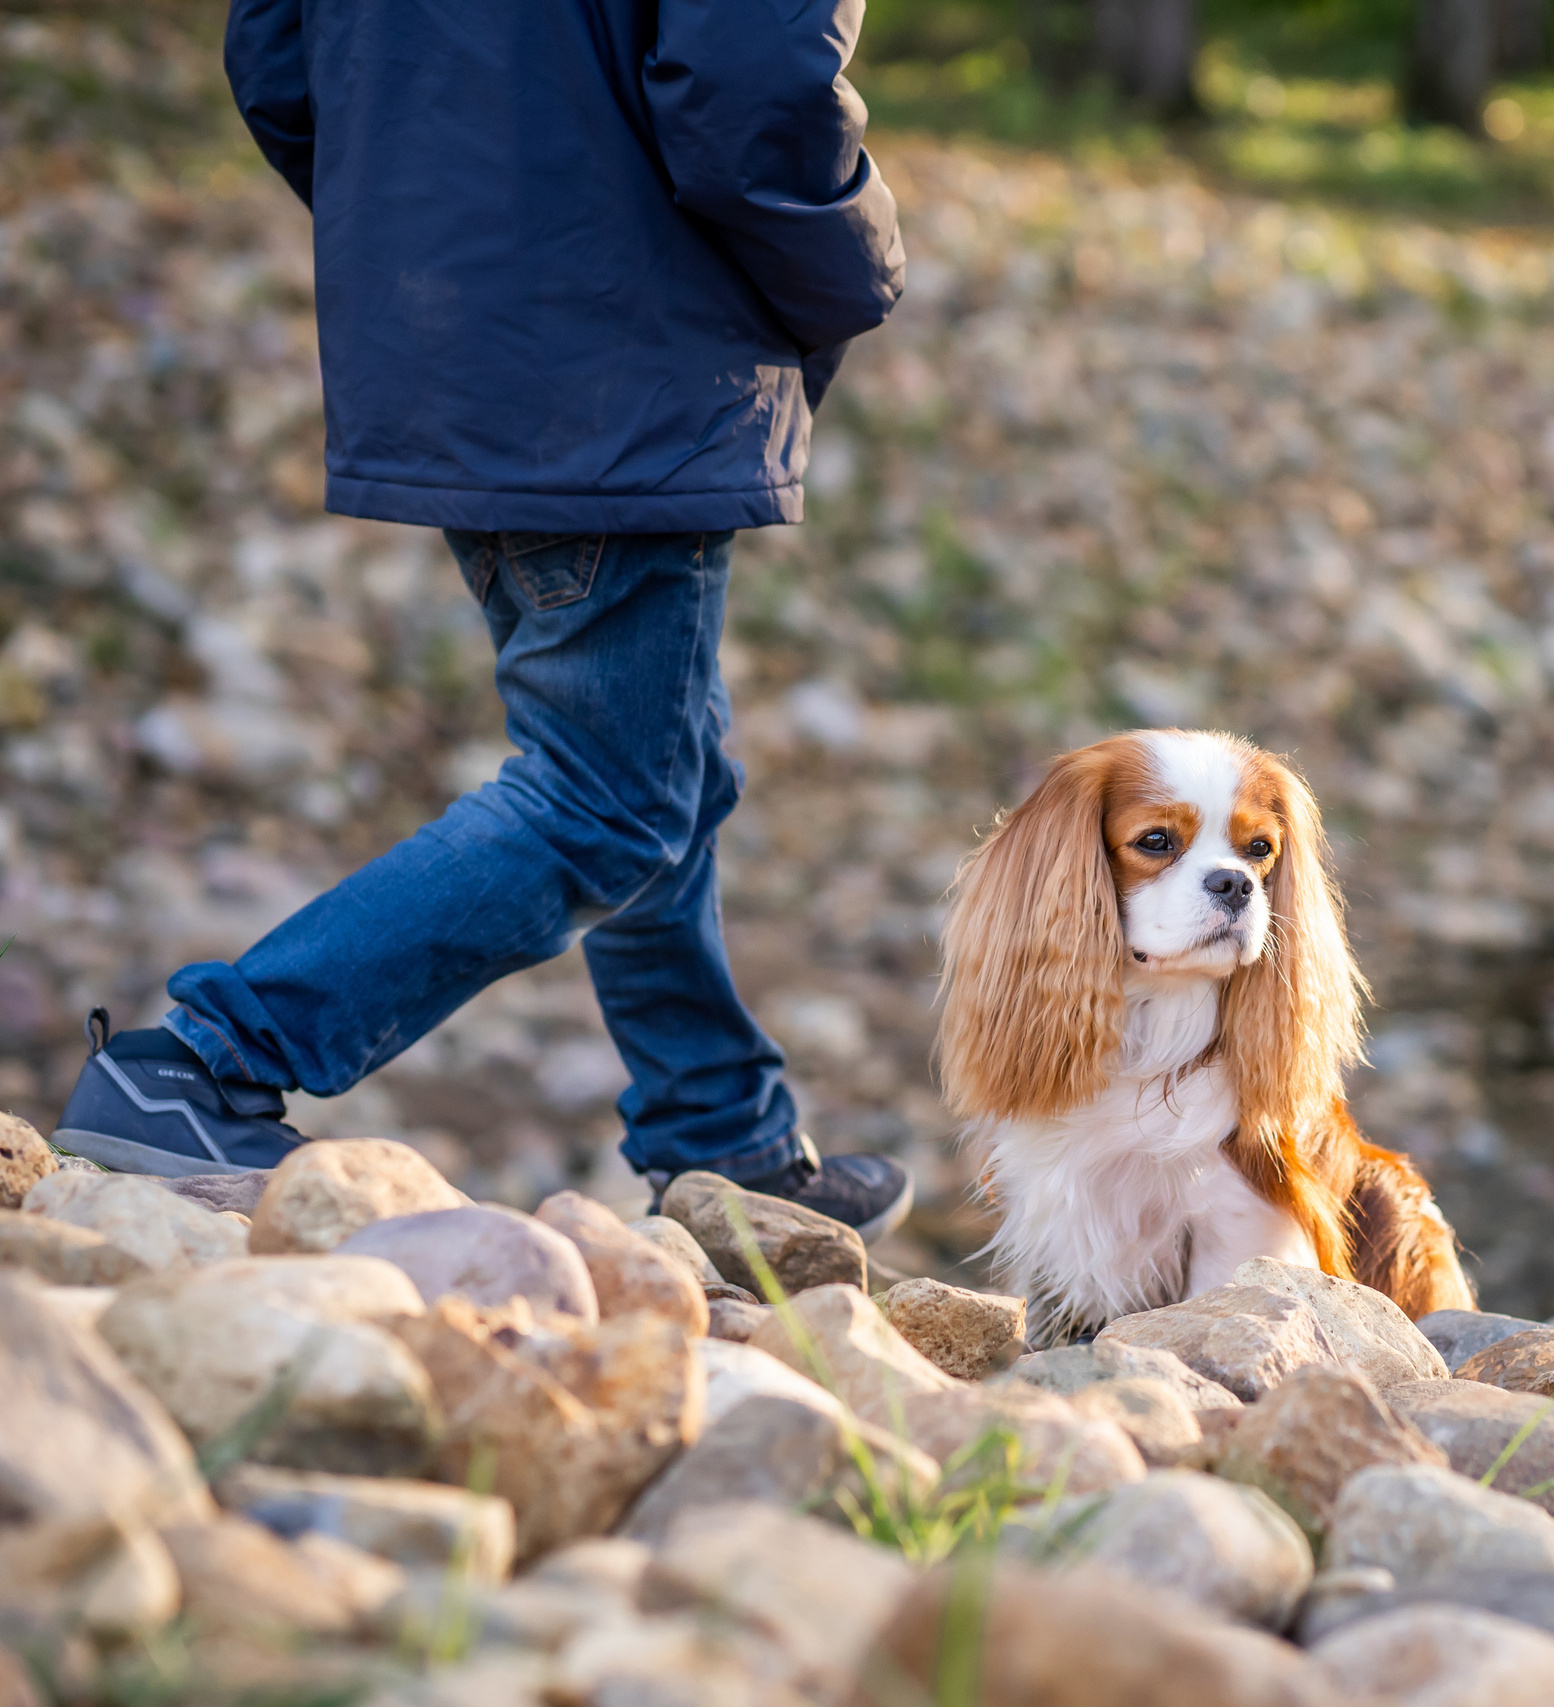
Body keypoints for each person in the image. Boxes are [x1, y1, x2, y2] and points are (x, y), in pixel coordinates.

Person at [50, 0, 913, 1239]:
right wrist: (857, 266)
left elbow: (278, 57)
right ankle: (203, 1060)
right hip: (619, 348)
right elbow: (754, 83)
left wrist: (437, 243)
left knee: (660, 756)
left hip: (475, 338)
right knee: (606, 798)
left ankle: (725, 1138)